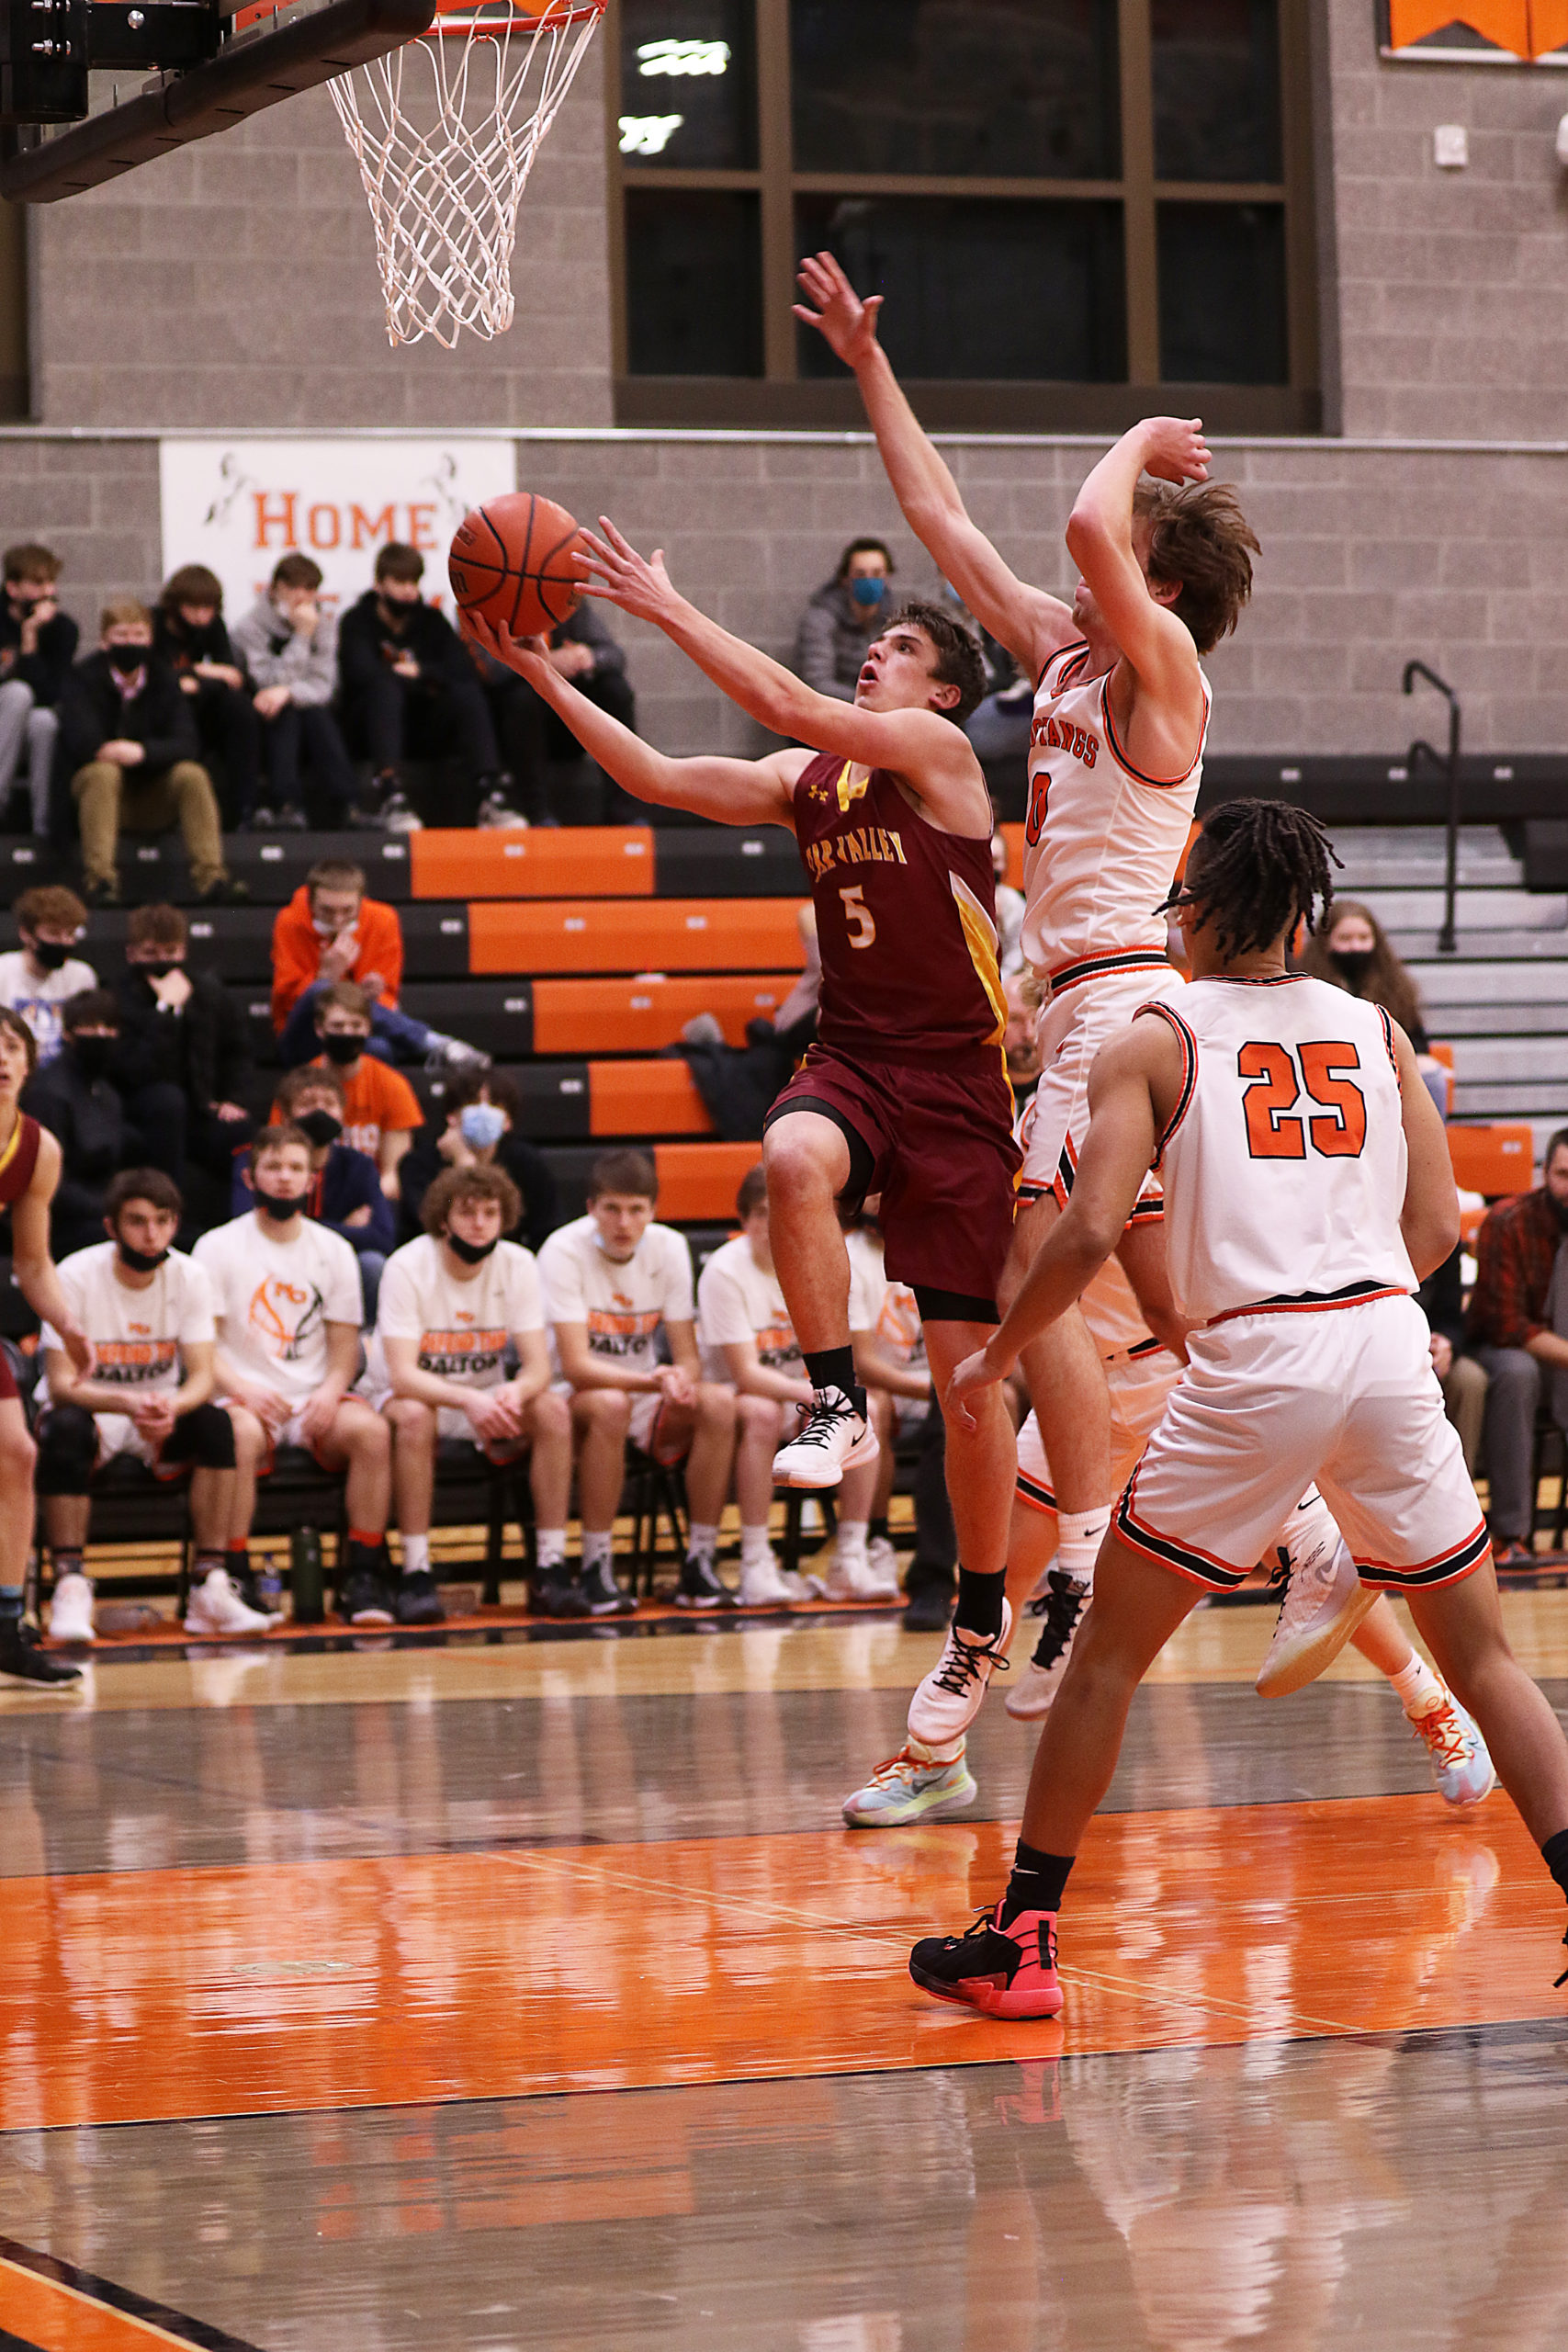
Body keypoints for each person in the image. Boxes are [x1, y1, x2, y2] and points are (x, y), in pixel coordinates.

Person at [915, 800, 1568, 2018]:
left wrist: (994, 1357)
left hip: (1256, 1363)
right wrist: (1349, 1295)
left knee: (1105, 1659)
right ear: (1301, 919)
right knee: (1482, 1657)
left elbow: (1086, 1233)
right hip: (1384, 1344)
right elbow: (1437, 1225)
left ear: (1197, 911)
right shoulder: (1376, 1027)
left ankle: (1021, 1941)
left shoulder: (1153, 1037)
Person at [795, 248, 1257, 1736]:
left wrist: (1137, 444)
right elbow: (942, 515)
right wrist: (868, 364)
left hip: (1116, 1003)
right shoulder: (1061, 659)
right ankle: (1301, 1520)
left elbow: (1078, 521)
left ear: (1155, 583)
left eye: (1122, 550)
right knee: (1151, 1298)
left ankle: (1073, 1561)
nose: (1081, 563)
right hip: (1066, 1011)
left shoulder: (1159, 675)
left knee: (1021, 1278)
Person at [468, 531, 1021, 1747]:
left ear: (942, 693)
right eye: (874, 643)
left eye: (901, 647)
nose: (875, 653)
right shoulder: (804, 781)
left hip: (957, 1082)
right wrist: (545, 676)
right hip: (855, 1055)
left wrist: (663, 606)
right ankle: (833, 1399)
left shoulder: (940, 758)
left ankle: (978, 1619)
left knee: (969, 1387)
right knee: (788, 1159)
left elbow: (785, 698)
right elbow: (658, 776)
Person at [845, 1241, 1496, 1824]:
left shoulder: (1156, 1145)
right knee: (999, 1578)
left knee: (1312, 1565)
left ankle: (1431, 1704)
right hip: (1078, 1386)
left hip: (1182, 1375)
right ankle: (933, 1754)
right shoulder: (1033, 1154)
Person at [36, 1167, 274, 1645]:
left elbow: (202, 1375)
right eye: (138, 1221)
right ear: (111, 1227)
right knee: (63, 1427)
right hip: (95, 1407)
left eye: (163, 1221)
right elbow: (61, 1384)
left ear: (175, 1224)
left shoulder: (190, 1276)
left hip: (156, 1410)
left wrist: (172, 1406)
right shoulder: (75, 1275)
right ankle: (69, 1583)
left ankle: (209, 1585)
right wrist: (125, 1403)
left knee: (217, 1423)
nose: (151, 1235)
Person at [193, 1125, 396, 1628]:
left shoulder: (334, 1249)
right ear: (250, 1177)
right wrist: (243, 1390)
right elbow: (201, 1348)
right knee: (237, 1434)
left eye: (295, 1168)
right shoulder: (216, 1246)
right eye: (273, 1167)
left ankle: (362, 1576)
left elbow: (345, 1348)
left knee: (372, 1433)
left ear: (312, 1179)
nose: (284, 1178)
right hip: (241, 1394)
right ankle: (235, 1573)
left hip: (311, 1397)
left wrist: (329, 1394)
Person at [537, 1148, 739, 1613]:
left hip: (642, 1387)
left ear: (653, 1210)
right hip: (570, 1393)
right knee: (611, 1404)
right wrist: (655, 1381)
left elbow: (687, 1357)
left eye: (635, 1209)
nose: (624, 1222)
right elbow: (576, 1365)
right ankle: (596, 1565)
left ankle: (701, 1561)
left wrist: (679, 1378)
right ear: (591, 1208)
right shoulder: (562, 1250)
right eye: (612, 1208)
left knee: (719, 1404)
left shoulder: (669, 1247)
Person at [375, 1162, 574, 1624]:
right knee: (414, 1416)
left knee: (551, 1409)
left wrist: (515, 1391)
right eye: (467, 1212)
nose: (480, 1223)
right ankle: (416, 1571)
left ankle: (551, 1566)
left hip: (485, 1398)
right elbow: (402, 1376)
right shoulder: (407, 1265)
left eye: (490, 1213)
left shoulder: (518, 1264)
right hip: (418, 1397)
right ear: (443, 1219)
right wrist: (469, 1400)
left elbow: (539, 1368)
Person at [695, 1164, 885, 1604]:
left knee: (864, 1411)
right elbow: (746, 1373)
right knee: (763, 1413)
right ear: (744, 1219)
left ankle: (850, 1556)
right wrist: (822, 1396)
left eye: (781, 1212)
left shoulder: (820, 1261)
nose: (772, 1224)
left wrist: (831, 1399)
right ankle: (755, 1561)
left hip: (800, 1399)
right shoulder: (726, 1269)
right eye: (762, 1213)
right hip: (736, 1398)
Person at [0, 1006, 96, 1686]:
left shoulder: (38, 1148)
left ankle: (6, 1627)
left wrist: (68, 1323)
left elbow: (32, 1263)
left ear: (29, 1064)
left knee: (17, 1453)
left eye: (10, 1047)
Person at [57, 600, 246, 910]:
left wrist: (142, 752)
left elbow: (186, 742)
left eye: (138, 635)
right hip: (97, 797)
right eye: (121, 635)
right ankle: (100, 881)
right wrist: (109, 750)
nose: (130, 643)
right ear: (104, 640)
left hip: (152, 793)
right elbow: (81, 739)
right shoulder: (82, 677)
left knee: (192, 775)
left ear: (150, 639)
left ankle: (212, 878)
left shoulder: (164, 678)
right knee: (103, 773)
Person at [337, 541, 507, 829]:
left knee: (467, 694)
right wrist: (416, 679)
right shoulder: (356, 621)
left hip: (424, 726)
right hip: (370, 728)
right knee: (385, 691)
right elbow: (360, 673)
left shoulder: (431, 620)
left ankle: (490, 793)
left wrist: (420, 672)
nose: (409, 591)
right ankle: (390, 795)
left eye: (413, 582)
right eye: (400, 582)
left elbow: (462, 669)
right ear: (379, 584)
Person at [271, 855, 486, 1075]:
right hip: (307, 1037)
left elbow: (389, 1000)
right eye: (327, 910)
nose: (337, 920)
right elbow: (287, 1005)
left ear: (361, 902)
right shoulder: (289, 921)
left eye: (347, 911)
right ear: (311, 903)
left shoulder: (383, 920)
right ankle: (431, 1042)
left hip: (363, 1030)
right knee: (319, 989)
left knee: (380, 1049)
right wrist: (325, 976)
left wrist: (366, 995)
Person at [1464, 1127, 1568, 1567]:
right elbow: (1506, 1324)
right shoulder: (1508, 1220)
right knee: (1516, 1373)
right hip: (1500, 1348)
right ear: (1544, 1173)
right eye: (1564, 1174)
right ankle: (1511, 1533)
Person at [24, 988, 180, 1257]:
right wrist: (114, 1208)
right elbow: (49, 1184)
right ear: (68, 1033)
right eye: (91, 1026)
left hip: (105, 1209)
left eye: (108, 1027)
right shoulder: (48, 1094)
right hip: (61, 1220)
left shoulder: (107, 1093)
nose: (101, 1034)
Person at [113, 901, 254, 1194]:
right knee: (169, 1102)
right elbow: (133, 1070)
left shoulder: (208, 992)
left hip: (200, 1108)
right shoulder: (120, 999)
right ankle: (167, 1204)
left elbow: (236, 1050)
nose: (162, 961)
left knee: (242, 1132)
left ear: (184, 951)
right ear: (131, 954)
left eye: (171, 952)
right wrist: (165, 1010)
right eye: (151, 953)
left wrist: (233, 1099)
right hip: (145, 1108)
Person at [236, 1065, 393, 1318]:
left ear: (342, 1114)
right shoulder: (256, 1158)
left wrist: (297, 1226)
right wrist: (343, 1228)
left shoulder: (359, 1165)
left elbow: (383, 1238)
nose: (320, 1111)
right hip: (270, 1260)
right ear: (286, 1116)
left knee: (373, 1264)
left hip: (333, 1267)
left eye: (329, 1103)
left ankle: (364, 1335)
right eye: (308, 1103)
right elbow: (244, 1223)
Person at [469, 600, 638, 827]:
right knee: (521, 697)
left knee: (614, 689)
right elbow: (490, 670)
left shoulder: (563, 600)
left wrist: (588, 657)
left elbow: (614, 655)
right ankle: (536, 814)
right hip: (518, 728)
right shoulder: (493, 605)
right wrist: (545, 665)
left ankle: (623, 812)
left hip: (571, 727)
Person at [228, 552, 356, 829]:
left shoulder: (323, 625)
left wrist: (288, 692)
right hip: (261, 715)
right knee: (286, 714)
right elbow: (265, 683)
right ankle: (285, 803)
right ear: (275, 588)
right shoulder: (250, 627)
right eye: (294, 587)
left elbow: (324, 685)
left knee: (314, 714)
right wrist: (301, 636)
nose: (302, 596)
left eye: (309, 589)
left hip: (305, 710)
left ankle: (347, 804)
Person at [1298, 896, 1449, 1120]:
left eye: (1363, 938)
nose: (1355, 946)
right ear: (1326, 942)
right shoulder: (1309, 984)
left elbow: (1417, 1041)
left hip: (1384, 1067)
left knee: (1430, 1073)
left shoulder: (1395, 984)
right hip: (1333, 1068)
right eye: (1345, 939)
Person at [283, 981, 425, 1201]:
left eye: (356, 1025)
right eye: (338, 1026)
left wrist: (362, 1202)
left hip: (372, 1198)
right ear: (319, 1028)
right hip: (309, 1197)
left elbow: (393, 1175)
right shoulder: (298, 1086)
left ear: (368, 1028)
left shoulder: (392, 1084)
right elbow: (284, 1157)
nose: (347, 1033)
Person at [397, 1069, 558, 1256]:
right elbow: (430, 1221)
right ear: (452, 1116)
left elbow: (546, 1227)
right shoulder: (419, 1163)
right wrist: (463, 1165)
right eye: (473, 1103)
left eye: (494, 1104)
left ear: (508, 1121)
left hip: (505, 1260)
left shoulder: (527, 1162)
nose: (484, 1111)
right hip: (436, 1260)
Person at [152, 563, 262, 828]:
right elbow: (154, 678)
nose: (201, 617)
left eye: (208, 609)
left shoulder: (213, 626)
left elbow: (232, 678)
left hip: (203, 706)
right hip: (163, 711)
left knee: (239, 708)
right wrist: (199, 670)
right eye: (193, 608)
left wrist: (196, 680)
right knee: (178, 707)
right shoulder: (154, 624)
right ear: (175, 605)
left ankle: (245, 809)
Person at [0, 543, 77, 833]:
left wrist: (29, 638)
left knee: (44, 720)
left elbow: (48, 696)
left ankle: (43, 827)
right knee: (17, 693)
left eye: (51, 582)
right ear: (13, 588)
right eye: (38, 583)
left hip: (25, 729)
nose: (48, 592)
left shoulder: (63, 629)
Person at [0, 885, 96, 1067]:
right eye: (53, 933)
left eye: (70, 934)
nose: (64, 942)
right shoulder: (3, 971)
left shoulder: (82, 976)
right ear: (26, 934)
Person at [794, 537, 898, 702]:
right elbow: (817, 683)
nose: (869, 581)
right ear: (846, 579)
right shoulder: (820, 619)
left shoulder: (895, 621)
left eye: (877, 574)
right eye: (860, 574)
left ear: (887, 577)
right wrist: (869, 701)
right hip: (832, 709)